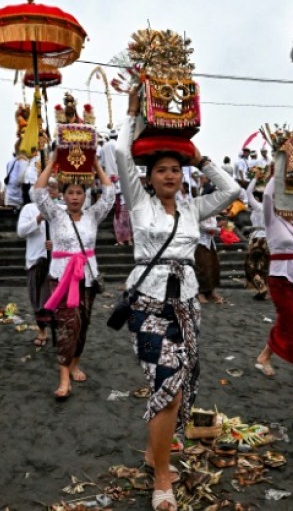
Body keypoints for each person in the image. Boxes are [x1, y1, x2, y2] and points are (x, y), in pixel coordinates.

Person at [117, 92, 241, 510]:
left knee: (182, 381)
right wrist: (134, 112)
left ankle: (158, 450)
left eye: (176, 170)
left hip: (187, 305)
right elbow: (120, 150)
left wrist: (199, 156)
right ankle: (162, 475)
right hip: (147, 304)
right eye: (162, 170)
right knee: (167, 387)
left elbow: (233, 188)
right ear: (148, 177)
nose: (170, 176)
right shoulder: (139, 205)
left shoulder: (193, 209)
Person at [32, 155, 114, 399]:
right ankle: (64, 377)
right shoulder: (56, 215)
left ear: (85, 196)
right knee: (67, 325)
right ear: (64, 196)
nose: (76, 197)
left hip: (87, 279)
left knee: (83, 325)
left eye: (80, 193)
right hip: (61, 279)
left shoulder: (93, 216)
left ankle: (75, 362)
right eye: (71, 193)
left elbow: (109, 194)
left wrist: (96, 164)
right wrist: (53, 161)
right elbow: (38, 193)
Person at [254, 166, 293, 382]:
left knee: (286, 321)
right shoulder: (272, 221)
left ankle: (265, 355)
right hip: (279, 280)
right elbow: (267, 195)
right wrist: (279, 172)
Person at [18, 178, 56, 347]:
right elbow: (21, 231)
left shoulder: (61, 208)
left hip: (56, 261)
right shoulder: (29, 208)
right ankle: (42, 330)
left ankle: (59, 329)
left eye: (51, 188)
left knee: (56, 298)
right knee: (37, 299)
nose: (48, 191)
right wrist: (38, 219)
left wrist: (56, 244)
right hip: (35, 261)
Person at [242, 178, 269, 299]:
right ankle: (264, 289)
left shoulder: (259, 207)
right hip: (266, 239)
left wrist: (255, 177)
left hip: (258, 240)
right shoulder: (270, 209)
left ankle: (262, 287)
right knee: (262, 266)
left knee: (250, 266)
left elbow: (248, 192)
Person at [195, 216, 223, 303]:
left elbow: (212, 229)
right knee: (202, 267)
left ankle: (211, 291)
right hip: (200, 242)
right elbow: (203, 227)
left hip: (210, 242)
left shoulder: (213, 215)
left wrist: (219, 227)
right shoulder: (200, 212)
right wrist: (219, 229)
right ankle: (200, 293)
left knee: (214, 266)